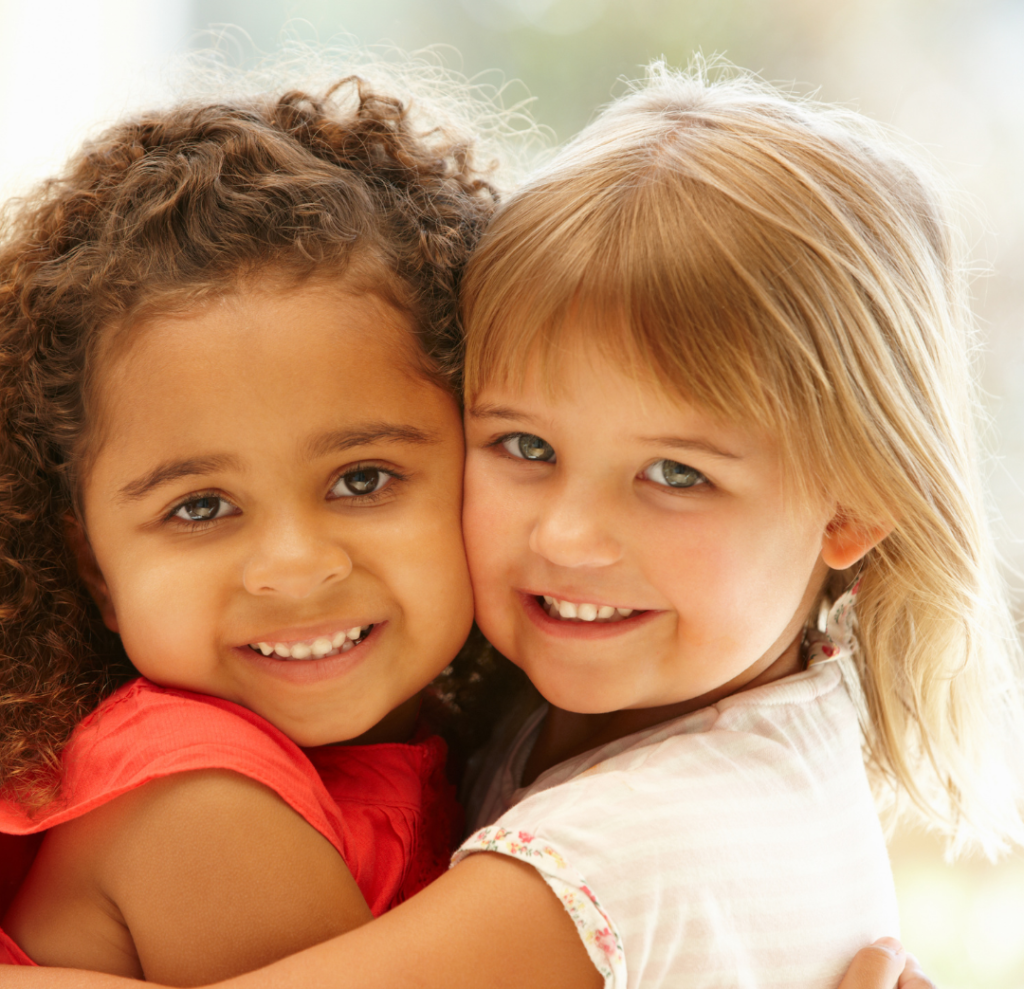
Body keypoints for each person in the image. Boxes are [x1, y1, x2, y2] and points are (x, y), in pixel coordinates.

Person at [3, 64, 977, 989]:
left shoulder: (634, 840)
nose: (568, 537)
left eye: (677, 473)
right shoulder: (231, 792)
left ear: (849, 506)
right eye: (524, 447)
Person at [0, 75, 505, 982]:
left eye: (362, 479)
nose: (294, 566)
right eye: (199, 507)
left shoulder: (449, 738)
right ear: (96, 567)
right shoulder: (199, 797)